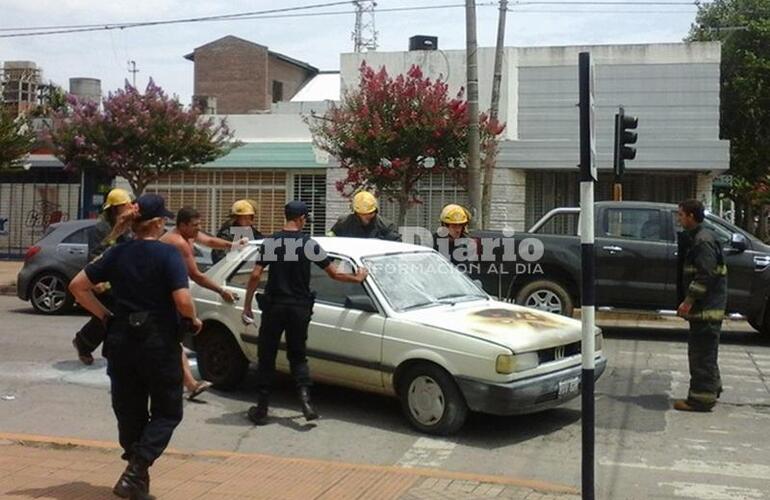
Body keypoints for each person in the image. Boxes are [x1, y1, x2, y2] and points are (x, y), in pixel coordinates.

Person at [69, 194, 202, 500]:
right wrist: (193, 320)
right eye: (164, 219)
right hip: (157, 343)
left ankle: (136, 479)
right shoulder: (167, 255)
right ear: (156, 224)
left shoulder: (117, 253)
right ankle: (136, 470)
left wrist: (104, 315)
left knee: (129, 411)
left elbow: (77, 286)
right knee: (168, 412)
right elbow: (183, 301)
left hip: (121, 342)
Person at [242, 201, 368, 425]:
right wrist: (356, 278)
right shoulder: (309, 244)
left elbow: (254, 275)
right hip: (299, 308)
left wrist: (247, 305)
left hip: (275, 306)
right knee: (298, 355)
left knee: (267, 355)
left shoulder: (272, 242)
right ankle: (306, 401)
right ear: (301, 219)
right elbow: (334, 274)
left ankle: (262, 408)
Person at [161, 207, 237, 400]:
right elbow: (196, 275)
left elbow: (210, 241)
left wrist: (233, 245)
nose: (198, 228)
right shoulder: (178, 242)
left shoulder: (189, 236)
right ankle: (189, 384)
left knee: (172, 342)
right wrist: (221, 291)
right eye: (195, 225)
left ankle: (190, 384)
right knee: (171, 341)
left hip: (171, 292)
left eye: (199, 225)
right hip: (163, 295)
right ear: (183, 225)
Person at [72, 188, 136, 365]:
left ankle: (84, 341)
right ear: (115, 208)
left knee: (114, 315)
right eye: (125, 205)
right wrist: (98, 282)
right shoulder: (102, 228)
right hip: (105, 279)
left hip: (121, 277)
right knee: (108, 316)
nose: (129, 207)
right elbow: (97, 254)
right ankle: (84, 343)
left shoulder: (129, 225)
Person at [674, 199, 727, 412]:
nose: (679, 219)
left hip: (706, 309)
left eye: (681, 215)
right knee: (707, 351)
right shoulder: (701, 237)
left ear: (691, 216)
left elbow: (705, 276)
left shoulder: (702, 241)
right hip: (707, 308)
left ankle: (700, 400)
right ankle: (713, 388)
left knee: (701, 354)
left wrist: (688, 302)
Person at [328, 191, 401, 241]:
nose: (367, 217)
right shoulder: (343, 223)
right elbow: (330, 243)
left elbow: (396, 247)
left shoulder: (386, 226)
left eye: (370, 213)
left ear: (375, 210)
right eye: (363, 214)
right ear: (356, 212)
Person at [211, 199, 263, 264]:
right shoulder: (226, 234)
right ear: (236, 218)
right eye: (245, 218)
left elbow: (261, 241)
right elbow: (220, 258)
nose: (249, 222)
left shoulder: (250, 230)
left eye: (251, 218)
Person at [432, 204, 480, 272]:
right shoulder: (432, 243)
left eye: (460, 226)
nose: (458, 230)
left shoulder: (468, 244)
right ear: (444, 226)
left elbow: (465, 271)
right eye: (454, 226)